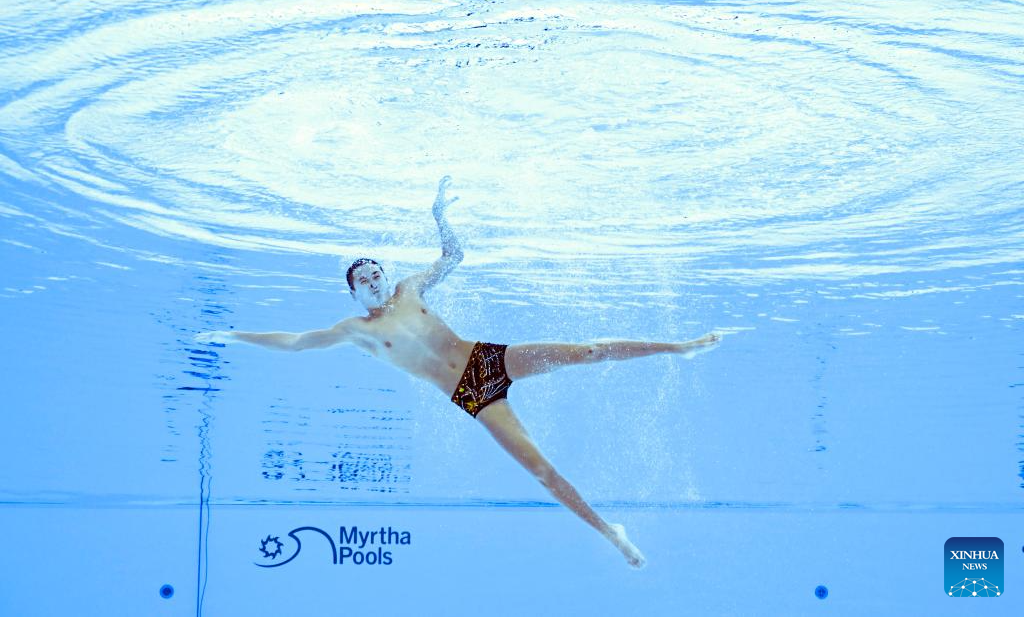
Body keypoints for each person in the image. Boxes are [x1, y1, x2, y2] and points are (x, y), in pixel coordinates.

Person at [196, 175, 721, 568]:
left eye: (377, 272)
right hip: (470, 393)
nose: (375, 281)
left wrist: (438, 215)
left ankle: (680, 348)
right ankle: (612, 533)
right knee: (541, 471)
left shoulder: (410, 289)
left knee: (585, 351)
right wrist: (234, 336)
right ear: (353, 292)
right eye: (364, 280)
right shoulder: (355, 330)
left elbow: (454, 255)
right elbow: (293, 343)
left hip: (487, 358)